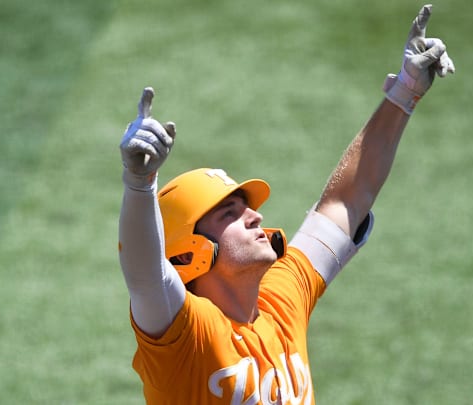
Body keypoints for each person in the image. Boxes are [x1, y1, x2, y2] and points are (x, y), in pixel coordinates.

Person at [117, 4, 454, 404]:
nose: (254, 214)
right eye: (229, 213)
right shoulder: (185, 337)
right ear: (191, 253)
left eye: (245, 205)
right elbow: (145, 275)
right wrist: (140, 184)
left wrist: (404, 94)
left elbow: (346, 200)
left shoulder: (281, 299)